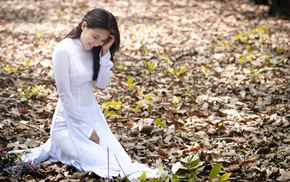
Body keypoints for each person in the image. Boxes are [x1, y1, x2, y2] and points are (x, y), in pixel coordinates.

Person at [19, 8, 157, 180]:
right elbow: (64, 94)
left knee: (120, 161)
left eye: (103, 40)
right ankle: (60, 148)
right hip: (67, 124)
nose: (97, 42)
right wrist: (86, 130)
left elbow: (101, 84)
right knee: (103, 164)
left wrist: (105, 52)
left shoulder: (95, 49)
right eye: (95, 37)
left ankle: (63, 151)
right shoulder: (63, 49)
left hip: (92, 116)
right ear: (84, 26)